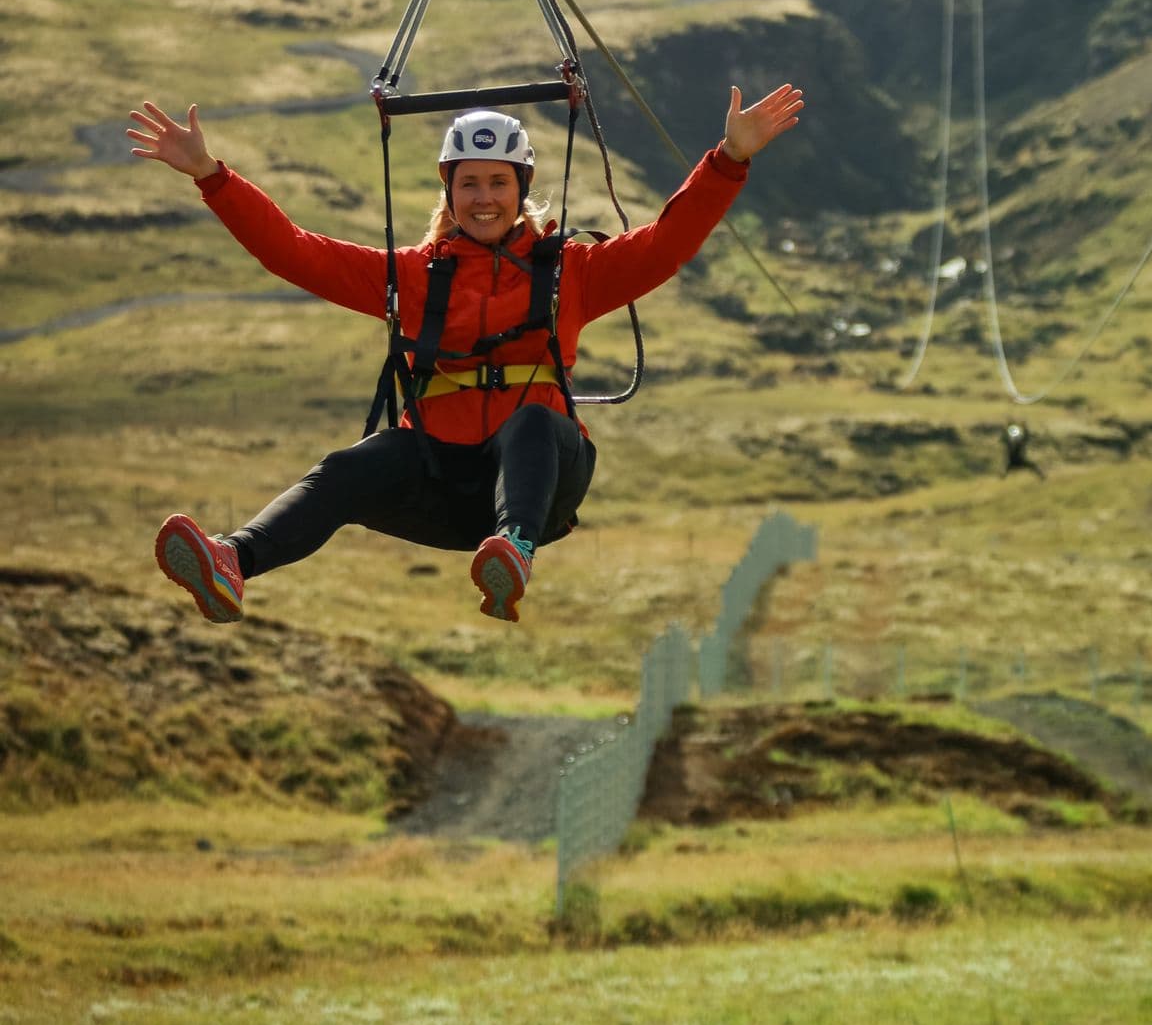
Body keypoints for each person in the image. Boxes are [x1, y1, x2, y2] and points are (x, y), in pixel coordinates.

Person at [126, 84, 802, 625]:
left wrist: (728, 159)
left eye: (498, 183)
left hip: (541, 486)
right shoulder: (413, 277)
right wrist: (213, 177)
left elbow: (667, 242)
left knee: (533, 423)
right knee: (354, 462)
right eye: (470, 183)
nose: (484, 198)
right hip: (445, 489)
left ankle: (515, 549)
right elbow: (296, 252)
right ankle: (231, 562)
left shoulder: (572, 270)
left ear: (521, 189)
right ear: (449, 192)